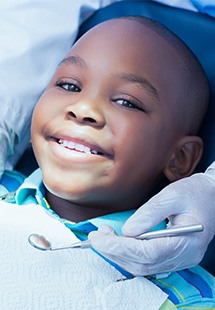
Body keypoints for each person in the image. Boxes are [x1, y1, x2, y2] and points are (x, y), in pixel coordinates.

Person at [0, 16, 214, 309]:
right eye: (69, 85)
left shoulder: (187, 297)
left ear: (180, 158)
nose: (84, 109)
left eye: (127, 102)